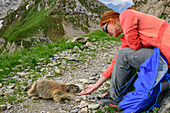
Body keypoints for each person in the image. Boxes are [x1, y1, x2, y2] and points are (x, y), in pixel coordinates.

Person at [80, 8, 170, 106]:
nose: (108, 34)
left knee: (124, 54)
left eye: (105, 29)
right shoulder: (127, 37)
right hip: (163, 55)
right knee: (123, 55)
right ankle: (117, 94)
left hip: (166, 51)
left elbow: (135, 45)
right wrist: (97, 84)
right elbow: (116, 62)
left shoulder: (126, 15)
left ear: (112, 20)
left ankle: (115, 97)